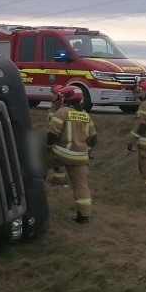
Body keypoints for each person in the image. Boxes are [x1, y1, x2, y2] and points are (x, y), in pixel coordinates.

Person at [47, 86, 97, 224]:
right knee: (81, 186)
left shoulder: (61, 113)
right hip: (80, 157)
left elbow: (51, 136)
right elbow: (93, 139)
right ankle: (84, 216)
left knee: (36, 165)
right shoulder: (86, 115)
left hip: (60, 153)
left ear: (65, 98)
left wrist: (49, 148)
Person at [45, 84, 67, 186]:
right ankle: (56, 180)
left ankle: (59, 180)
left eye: (54, 94)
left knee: (56, 160)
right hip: (52, 134)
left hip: (58, 137)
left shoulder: (61, 108)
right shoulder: (54, 106)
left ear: (60, 95)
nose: (52, 96)